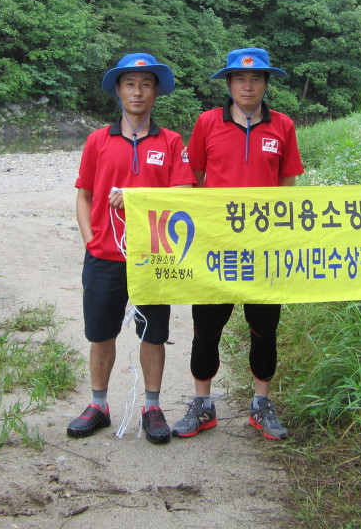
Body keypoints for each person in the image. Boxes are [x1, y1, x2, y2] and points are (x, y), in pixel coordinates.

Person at [172, 48, 304, 441]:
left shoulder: (283, 126)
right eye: (240, 79)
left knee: (264, 329)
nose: (248, 86)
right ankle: (202, 404)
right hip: (216, 248)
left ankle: (261, 404)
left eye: (256, 78)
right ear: (228, 83)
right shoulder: (207, 122)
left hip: (264, 250)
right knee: (206, 328)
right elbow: (194, 176)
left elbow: (288, 185)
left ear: (266, 83)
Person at [67, 53, 195, 444]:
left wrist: (136, 197)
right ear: (118, 91)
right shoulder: (98, 140)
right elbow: (84, 194)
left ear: (156, 92)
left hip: (153, 257)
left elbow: (183, 194)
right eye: (129, 84)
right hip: (104, 255)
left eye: (145, 84)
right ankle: (98, 405)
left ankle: (152, 408)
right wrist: (90, 238)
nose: (137, 92)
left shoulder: (171, 141)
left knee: (153, 334)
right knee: (100, 333)